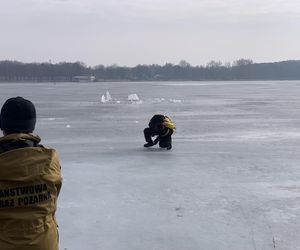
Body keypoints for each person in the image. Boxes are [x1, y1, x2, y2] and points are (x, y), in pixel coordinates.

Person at [0, 97, 62, 250]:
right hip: (44, 243)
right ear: (32, 125)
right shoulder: (50, 159)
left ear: (2, 124)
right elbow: (55, 192)